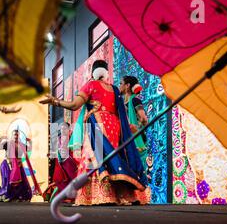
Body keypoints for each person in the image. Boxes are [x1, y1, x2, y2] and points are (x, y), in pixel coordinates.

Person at [40, 60, 148, 205]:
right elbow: (121, 115)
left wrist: (56, 102)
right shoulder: (115, 89)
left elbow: (74, 105)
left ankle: (101, 195)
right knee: (113, 159)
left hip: (97, 124)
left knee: (94, 158)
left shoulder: (91, 85)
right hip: (114, 127)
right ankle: (121, 195)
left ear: (93, 73)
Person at [0, 129, 34, 202]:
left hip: (18, 165)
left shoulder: (21, 144)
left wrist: (30, 142)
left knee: (21, 182)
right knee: (8, 181)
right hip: (8, 165)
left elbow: (29, 149)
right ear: (12, 135)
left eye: (17, 135)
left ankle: (19, 197)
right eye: (14, 134)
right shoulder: (8, 143)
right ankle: (8, 196)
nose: (16, 136)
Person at [119, 75, 148, 169]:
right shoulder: (122, 103)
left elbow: (144, 119)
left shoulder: (135, 100)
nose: (119, 86)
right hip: (126, 140)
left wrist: (136, 130)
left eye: (121, 84)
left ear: (127, 85)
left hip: (136, 140)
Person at [51, 122, 78, 201]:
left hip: (70, 162)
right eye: (62, 128)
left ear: (69, 129)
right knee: (61, 181)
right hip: (60, 163)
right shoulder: (58, 138)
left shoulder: (72, 137)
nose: (63, 130)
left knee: (72, 179)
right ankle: (65, 197)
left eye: (65, 128)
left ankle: (73, 197)